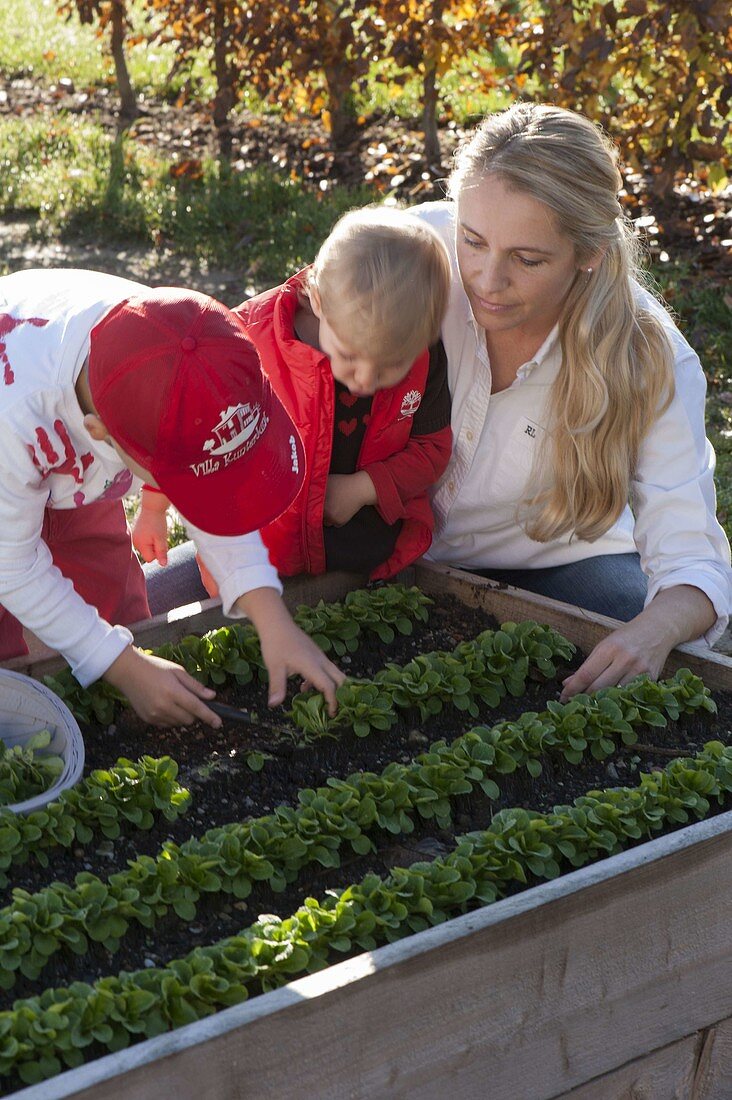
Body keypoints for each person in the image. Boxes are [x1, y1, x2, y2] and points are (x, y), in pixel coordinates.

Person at [409, 102, 732, 699]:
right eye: (473, 241)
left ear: (590, 254)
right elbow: (262, 352)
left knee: (638, 630)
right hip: (377, 549)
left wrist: (650, 633)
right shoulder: (409, 254)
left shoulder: (648, 355)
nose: (486, 279)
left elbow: (693, 560)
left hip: (553, 568)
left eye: (527, 260)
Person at [0, 268, 344, 728]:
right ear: (103, 438)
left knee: (111, 604)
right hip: (13, 446)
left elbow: (213, 491)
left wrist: (271, 617)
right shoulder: (15, 420)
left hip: (65, 450)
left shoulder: (181, 344)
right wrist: (120, 666)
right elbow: (12, 564)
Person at [134, 206, 453, 584]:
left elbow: (431, 450)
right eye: (350, 355)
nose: (365, 381)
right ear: (317, 300)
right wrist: (154, 505)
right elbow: (184, 428)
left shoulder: (423, 352)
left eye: (390, 367)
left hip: (367, 561)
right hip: (259, 561)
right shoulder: (244, 342)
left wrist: (364, 488)